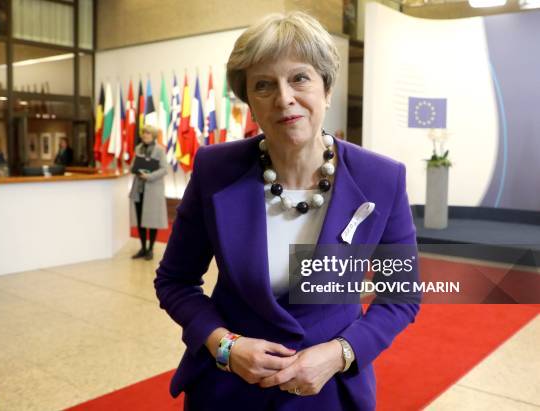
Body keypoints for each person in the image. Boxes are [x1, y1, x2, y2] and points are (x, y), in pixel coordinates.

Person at [155, 12, 420, 410]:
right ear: (250, 104)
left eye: (299, 78)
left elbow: (400, 296)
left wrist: (340, 353)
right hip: (227, 390)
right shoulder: (215, 170)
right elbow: (175, 281)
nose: (284, 98)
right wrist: (226, 345)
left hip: (329, 391)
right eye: (264, 85)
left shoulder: (381, 178)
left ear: (326, 89)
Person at [129, 125, 168, 261]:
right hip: (139, 189)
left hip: (153, 189)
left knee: (151, 221)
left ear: (153, 136)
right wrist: (135, 169)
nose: (145, 136)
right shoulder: (138, 148)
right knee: (140, 221)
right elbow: (132, 166)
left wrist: (149, 176)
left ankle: (150, 249)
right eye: (144, 133)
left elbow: (164, 169)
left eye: (148, 134)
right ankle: (143, 248)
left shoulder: (160, 150)